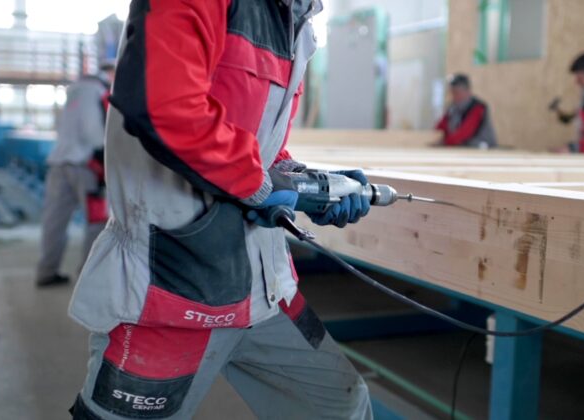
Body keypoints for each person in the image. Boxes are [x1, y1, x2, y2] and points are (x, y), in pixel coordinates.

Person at [67, 1, 373, 419]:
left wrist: (303, 180)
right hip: (173, 283)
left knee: (342, 405)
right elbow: (164, 107)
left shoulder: (297, 21)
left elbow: (259, 142)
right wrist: (262, 186)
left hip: (264, 289)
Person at [35, 63, 115, 287]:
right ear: (111, 73)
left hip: (58, 163)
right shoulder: (98, 90)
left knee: (54, 221)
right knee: (96, 222)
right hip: (85, 166)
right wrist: (103, 155)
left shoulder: (73, 90)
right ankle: (87, 279)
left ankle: (46, 271)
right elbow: (93, 132)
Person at [435, 73, 497, 148]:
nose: (453, 95)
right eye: (452, 91)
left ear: (467, 91)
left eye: (457, 92)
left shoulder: (477, 108)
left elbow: (464, 133)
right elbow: (440, 127)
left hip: (481, 149)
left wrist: (445, 142)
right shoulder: (452, 108)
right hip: (461, 148)